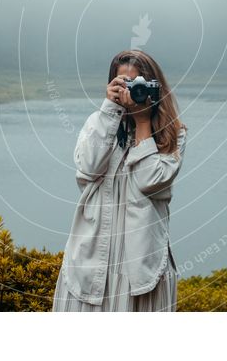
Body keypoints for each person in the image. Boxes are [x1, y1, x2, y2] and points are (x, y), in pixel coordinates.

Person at [52, 50, 188, 312]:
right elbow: (88, 168)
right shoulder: (98, 123)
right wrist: (110, 110)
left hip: (139, 263)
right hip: (92, 254)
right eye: (123, 85)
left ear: (153, 87)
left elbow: (150, 181)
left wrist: (143, 122)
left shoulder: (173, 133)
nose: (130, 93)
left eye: (137, 85)